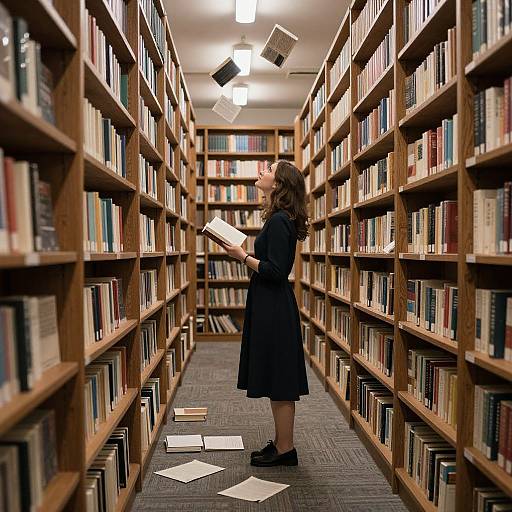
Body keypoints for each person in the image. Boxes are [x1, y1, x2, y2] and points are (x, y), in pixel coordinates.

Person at [222, 159, 310, 467]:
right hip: (270, 303)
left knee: (280, 379)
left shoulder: (278, 221)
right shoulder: (279, 218)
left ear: (280, 184)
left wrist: (241, 256)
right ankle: (283, 444)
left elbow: (275, 271)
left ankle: (286, 449)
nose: (263, 171)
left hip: (273, 304)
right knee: (277, 377)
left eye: (269, 169)